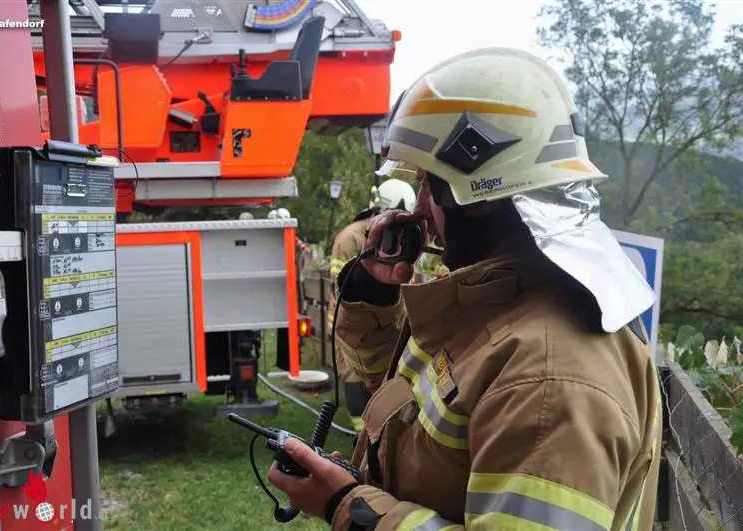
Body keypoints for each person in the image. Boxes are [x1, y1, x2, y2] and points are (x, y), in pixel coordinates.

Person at [268, 47, 662, 530]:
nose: (419, 208)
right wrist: (374, 294)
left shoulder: (548, 378)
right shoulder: (495, 301)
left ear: (478, 198)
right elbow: (401, 399)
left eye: (429, 184)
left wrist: (347, 505)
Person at [327, 177, 417, 434]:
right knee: (354, 379)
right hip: (349, 323)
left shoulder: (407, 238)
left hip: (389, 321)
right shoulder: (349, 239)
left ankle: (377, 432)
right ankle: (361, 435)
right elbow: (339, 288)